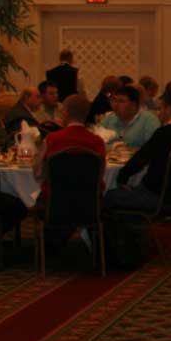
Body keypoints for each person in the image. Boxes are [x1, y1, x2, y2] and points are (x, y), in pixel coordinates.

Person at [104, 87, 171, 213]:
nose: (159, 113)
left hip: (157, 196)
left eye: (161, 108)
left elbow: (140, 160)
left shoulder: (163, 133)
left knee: (108, 195)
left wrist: (122, 178)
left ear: (169, 109)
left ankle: (123, 230)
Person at [32, 94, 106, 252]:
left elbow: (38, 173)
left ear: (64, 113)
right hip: (89, 205)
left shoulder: (52, 139)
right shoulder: (97, 142)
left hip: (55, 204)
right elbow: (100, 177)